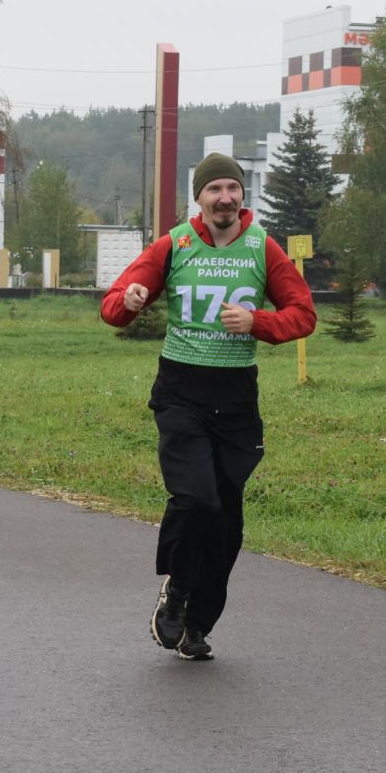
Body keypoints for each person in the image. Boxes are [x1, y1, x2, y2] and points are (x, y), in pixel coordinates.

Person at [99, 153, 316, 661]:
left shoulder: (263, 249)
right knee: (198, 500)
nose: (224, 198)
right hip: (181, 392)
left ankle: (197, 624)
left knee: (227, 523)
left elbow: (303, 315)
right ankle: (176, 591)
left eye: (232, 189)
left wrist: (258, 322)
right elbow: (112, 309)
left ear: (243, 197)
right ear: (198, 198)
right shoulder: (174, 246)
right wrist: (129, 302)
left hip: (236, 399)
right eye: (214, 189)